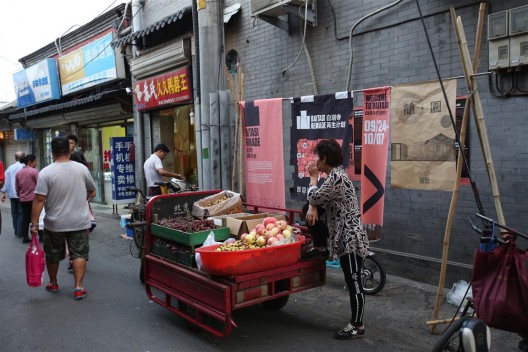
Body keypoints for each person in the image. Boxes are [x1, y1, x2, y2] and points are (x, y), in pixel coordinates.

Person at [305, 139, 370, 340]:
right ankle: (322, 247)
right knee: (306, 210)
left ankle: (357, 325)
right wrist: (311, 206)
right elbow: (315, 200)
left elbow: (314, 196)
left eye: (318, 157)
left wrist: (313, 178)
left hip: (349, 238)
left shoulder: (336, 178)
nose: (315, 161)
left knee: (354, 281)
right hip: (343, 235)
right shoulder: (335, 176)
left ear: (324, 159)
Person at [30, 137, 96, 301]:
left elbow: (39, 199)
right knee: (79, 254)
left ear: (52, 152)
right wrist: (81, 199)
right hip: (79, 221)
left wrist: (34, 224)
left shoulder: (46, 172)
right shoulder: (82, 169)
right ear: (69, 150)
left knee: (52, 255)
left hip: (54, 223)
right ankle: (79, 288)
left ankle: (53, 282)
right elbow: (92, 191)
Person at [15, 154, 41, 243]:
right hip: (34, 199)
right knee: (37, 217)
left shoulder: (19, 173)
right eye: (35, 161)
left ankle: (25, 237)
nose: (36, 163)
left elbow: (17, 187)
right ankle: (41, 236)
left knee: (25, 218)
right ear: (30, 162)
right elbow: (40, 185)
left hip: (23, 199)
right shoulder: (34, 172)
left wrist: (20, 194)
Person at [1, 151, 25, 239]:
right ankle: (20, 231)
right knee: (21, 213)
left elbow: (5, 181)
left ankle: (16, 230)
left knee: (14, 213)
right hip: (20, 194)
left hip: (11, 194)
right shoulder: (24, 167)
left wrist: (3, 193)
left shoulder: (10, 168)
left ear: (15, 158)